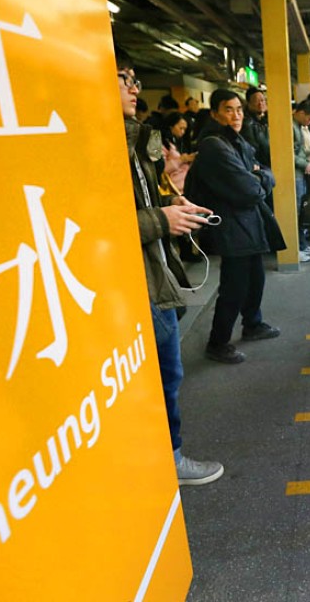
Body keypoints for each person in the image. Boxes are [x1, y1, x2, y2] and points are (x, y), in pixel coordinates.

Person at [116, 52, 223, 485]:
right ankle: (168, 460)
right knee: (164, 374)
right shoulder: (99, 145)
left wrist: (170, 205)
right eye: (124, 78)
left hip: (155, 273)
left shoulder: (133, 139)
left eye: (135, 79)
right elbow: (87, 221)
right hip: (139, 281)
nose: (134, 87)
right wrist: (161, 220)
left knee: (165, 371)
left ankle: (163, 455)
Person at [185, 89, 283, 364]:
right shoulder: (215, 146)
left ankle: (252, 324)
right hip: (231, 226)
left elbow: (263, 171)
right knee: (234, 286)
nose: (236, 115)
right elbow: (250, 189)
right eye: (229, 109)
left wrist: (259, 176)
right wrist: (259, 178)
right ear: (215, 113)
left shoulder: (235, 141)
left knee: (255, 279)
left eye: (239, 109)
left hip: (246, 224)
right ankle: (217, 342)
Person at [292, 99, 310, 261]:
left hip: (300, 171)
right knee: (295, 212)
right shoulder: (290, 126)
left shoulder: (298, 126)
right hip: (295, 173)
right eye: (309, 118)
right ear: (301, 113)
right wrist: (305, 163)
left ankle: (301, 245)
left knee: (301, 210)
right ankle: (295, 249)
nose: (309, 122)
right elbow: (290, 151)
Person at [240, 88, 272, 167]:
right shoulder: (247, 124)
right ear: (248, 103)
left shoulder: (264, 120)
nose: (260, 103)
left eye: (263, 100)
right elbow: (254, 150)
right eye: (256, 101)